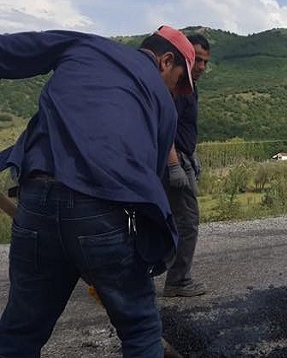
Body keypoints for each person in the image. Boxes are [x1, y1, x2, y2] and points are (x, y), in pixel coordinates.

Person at [0, 25, 195, 357]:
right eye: (180, 81)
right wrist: (132, 262)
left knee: (19, 334)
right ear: (165, 61)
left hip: (35, 203)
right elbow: (148, 186)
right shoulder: (161, 101)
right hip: (104, 213)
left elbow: (10, 51)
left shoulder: (85, 45)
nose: (178, 92)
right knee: (141, 331)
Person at [162, 33, 211, 298]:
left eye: (205, 62)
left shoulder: (191, 86)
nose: (201, 66)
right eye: (197, 60)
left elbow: (184, 126)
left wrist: (193, 155)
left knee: (169, 219)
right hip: (174, 160)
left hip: (184, 156)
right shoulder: (177, 86)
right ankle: (178, 281)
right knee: (188, 220)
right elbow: (166, 125)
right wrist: (174, 164)